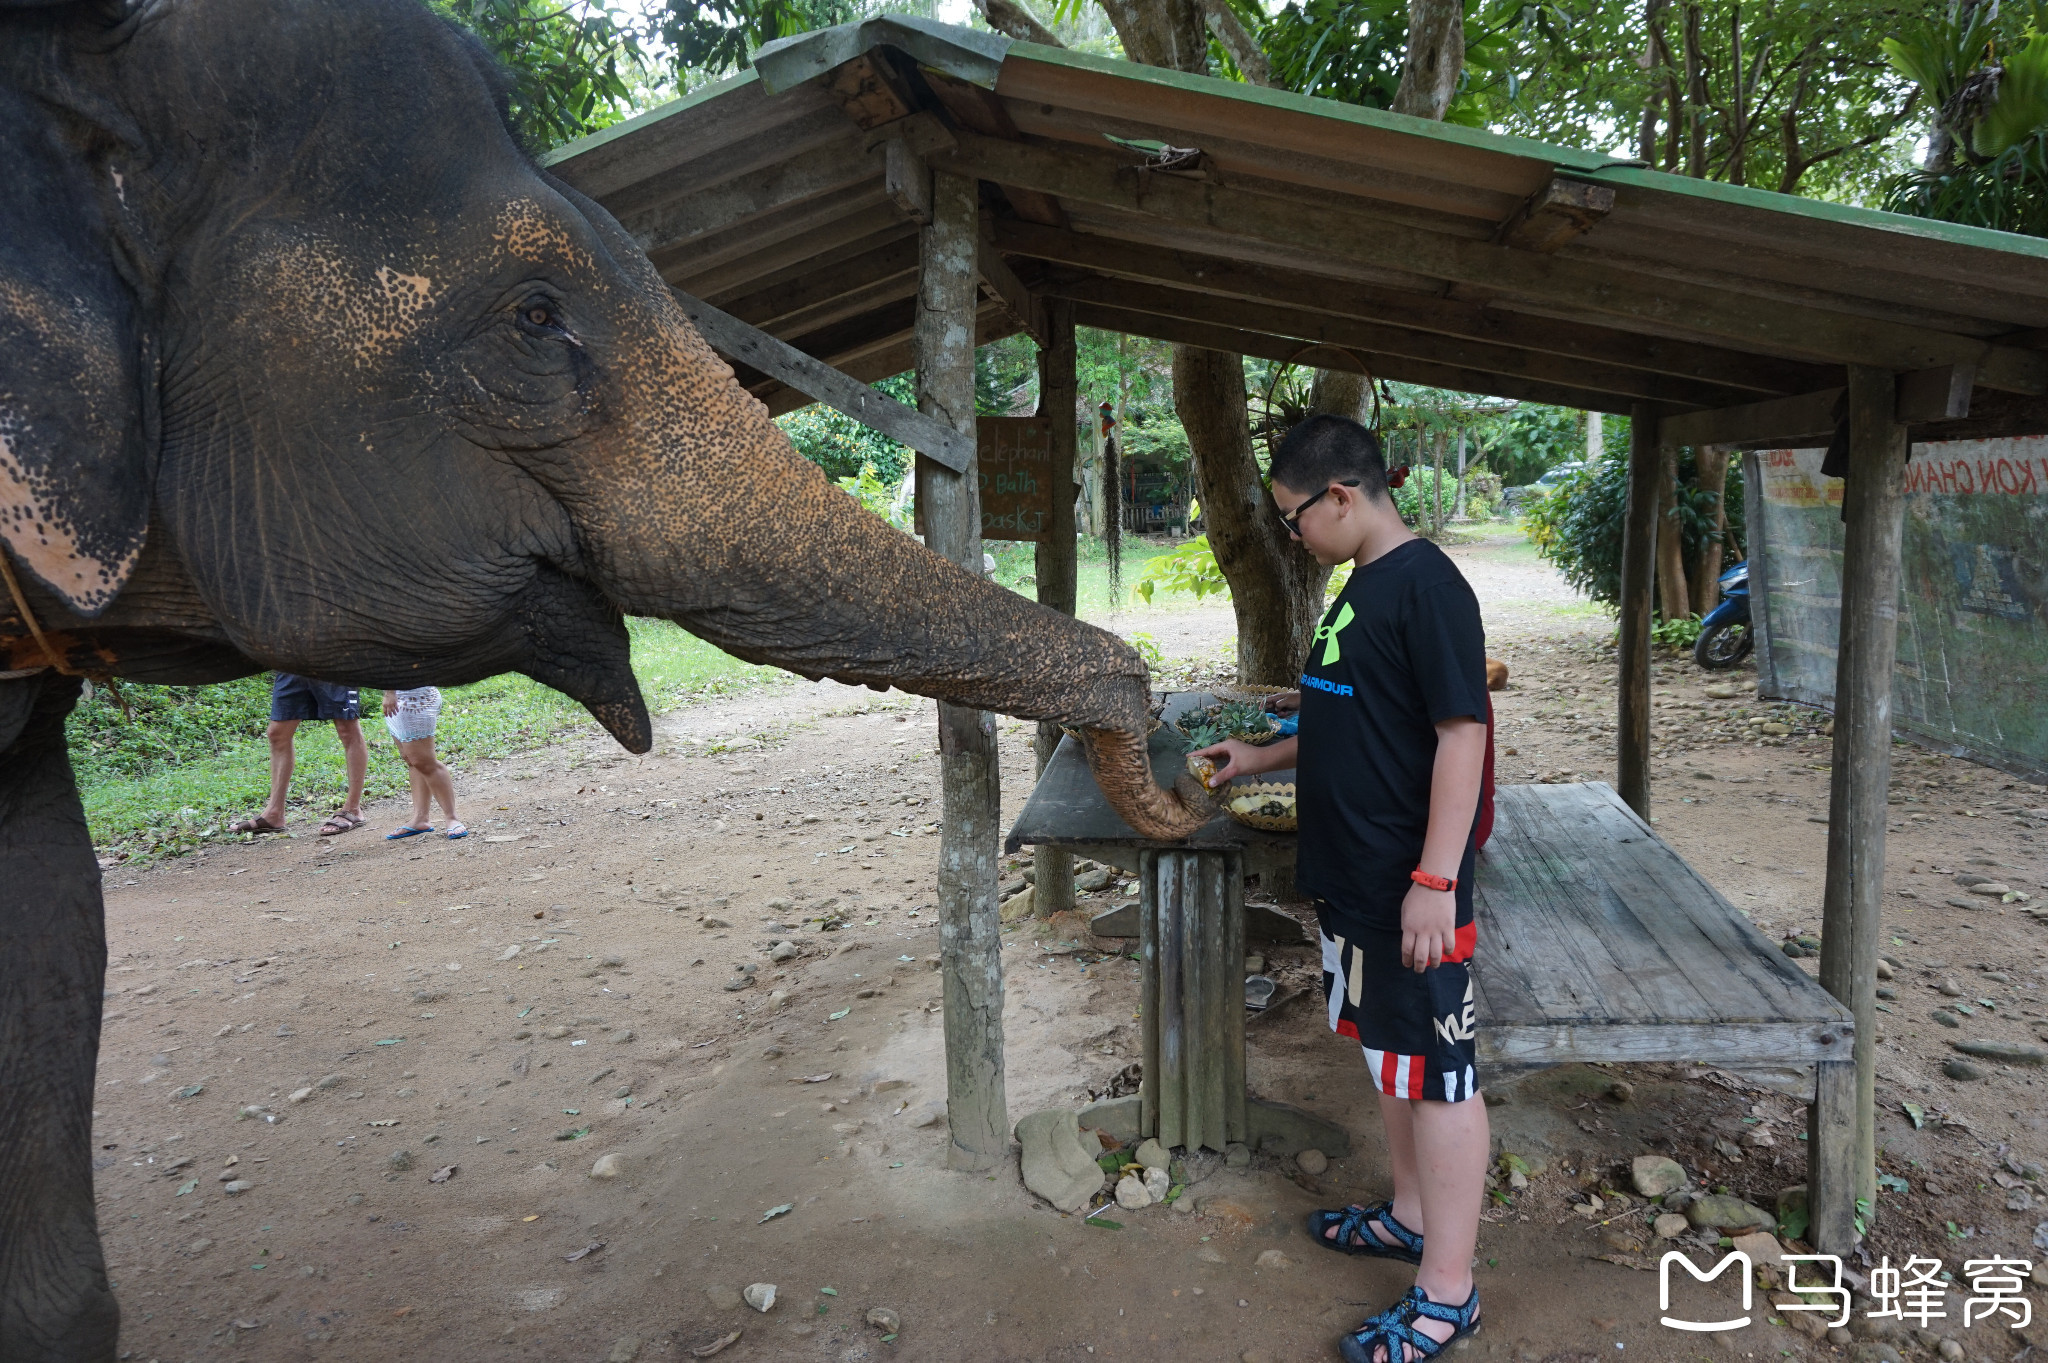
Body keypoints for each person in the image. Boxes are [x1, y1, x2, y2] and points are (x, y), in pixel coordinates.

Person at [1194, 414, 1490, 1363]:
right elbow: (1345, 717)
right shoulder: (1360, 588)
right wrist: (1259, 754)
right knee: (1390, 1060)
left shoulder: (1429, 589)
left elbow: (1462, 736)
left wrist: (1435, 881)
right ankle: (1408, 1216)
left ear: (1342, 497)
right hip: (1355, 883)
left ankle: (1449, 1293)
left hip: (1412, 889)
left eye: (1293, 518)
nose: (1292, 536)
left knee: (1442, 1079)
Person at [230, 674, 369, 836]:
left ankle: (353, 809)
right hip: (291, 660)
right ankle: (274, 814)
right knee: (277, 733)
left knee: (347, 728)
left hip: (333, 657)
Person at [381, 686, 465, 840]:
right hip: (396, 699)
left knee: (424, 761)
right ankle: (420, 819)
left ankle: (452, 818)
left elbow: (392, 662)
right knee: (411, 759)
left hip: (413, 697)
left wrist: (389, 692)